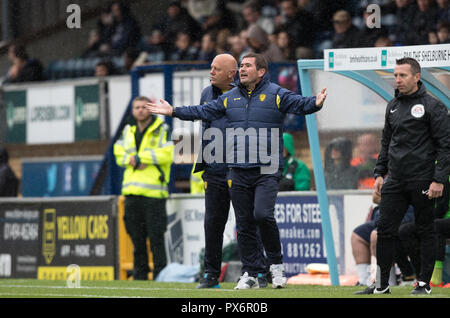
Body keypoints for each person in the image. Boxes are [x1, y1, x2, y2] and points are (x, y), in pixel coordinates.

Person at [146, 52, 327, 289]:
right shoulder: (227, 98)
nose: (242, 69)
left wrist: (314, 102)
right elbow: (203, 113)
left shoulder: (275, 94)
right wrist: (174, 112)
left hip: (264, 169)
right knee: (236, 224)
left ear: (260, 71)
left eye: (247, 65)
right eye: (241, 65)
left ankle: (273, 267)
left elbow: (298, 103)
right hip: (234, 169)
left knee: (261, 215)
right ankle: (246, 273)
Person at [356, 57, 450, 295]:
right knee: (385, 231)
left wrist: (439, 179)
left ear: (417, 77)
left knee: (425, 229)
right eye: (395, 75)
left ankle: (423, 284)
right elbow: (386, 142)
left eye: (403, 75)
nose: (397, 79)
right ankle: (381, 285)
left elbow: (445, 146)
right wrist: (379, 173)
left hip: (423, 179)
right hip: (395, 180)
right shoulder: (393, 105)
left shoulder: (433, 106)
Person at [113, 96, 174, 280]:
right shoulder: (127, 130)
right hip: (131, 193)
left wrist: (141, 158)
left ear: (151, 109)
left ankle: (160, 274)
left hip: (154, 194)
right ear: (132, 111)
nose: (140, 110)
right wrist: (131, 160)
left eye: (143, 107)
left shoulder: (162, 129)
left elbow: (169, 152)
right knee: (136, 238)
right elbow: (118, 152)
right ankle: (139, 275)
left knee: (156, 238)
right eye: (136, 107)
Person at [352, 190, 416, 286]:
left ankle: (388, 282)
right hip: (383, 214)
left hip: (405, 215)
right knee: (358, 235)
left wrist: (385, 199)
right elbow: (377, 195)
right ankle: (363, 281)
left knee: (377, 235)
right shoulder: (384, 177)